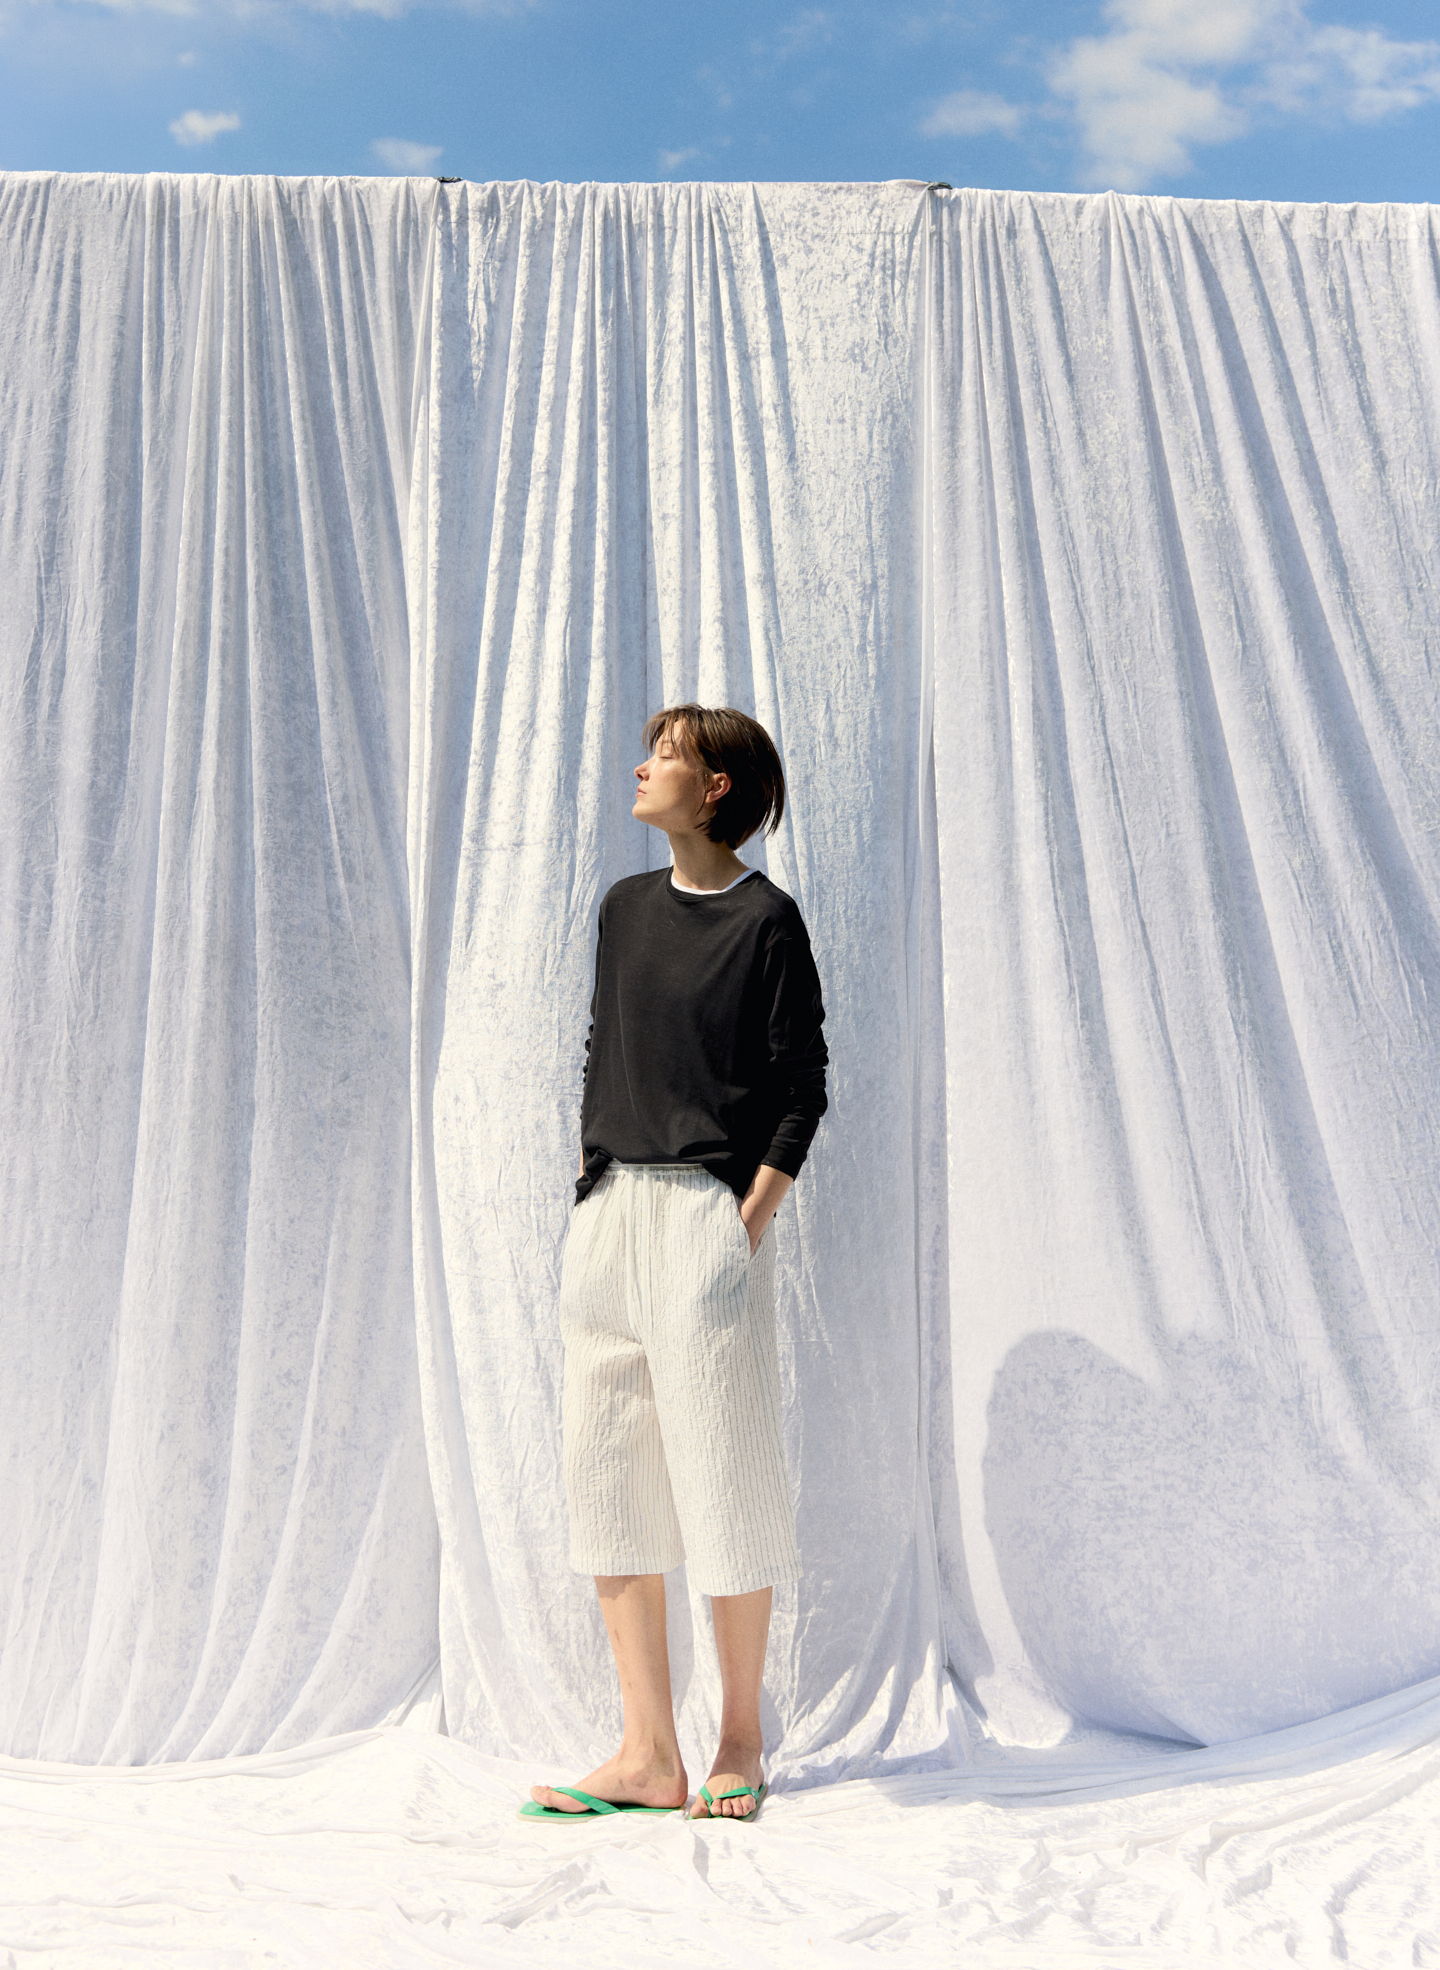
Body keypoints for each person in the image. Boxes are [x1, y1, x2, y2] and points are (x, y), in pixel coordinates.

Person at [522, 704, 828, 1825]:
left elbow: (802, 1086)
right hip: (608, 1220)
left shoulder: (766, 922)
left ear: (715, 790)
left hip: (704, 1217)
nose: (643, 765)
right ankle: (647, 1750)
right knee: (607, 1482)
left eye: (667, 754)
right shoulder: (622, 908)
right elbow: (603, 1047)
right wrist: (591, 1183)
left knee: (724, 1477)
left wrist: (740, 1225)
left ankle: (738, 1736)